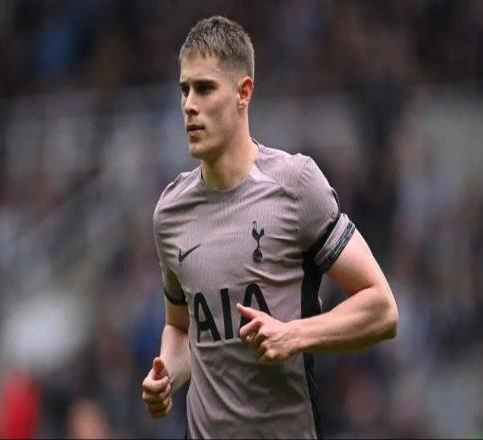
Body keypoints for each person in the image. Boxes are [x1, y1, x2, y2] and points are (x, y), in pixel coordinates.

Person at [142, 15, 398, 439]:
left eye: (204, 88)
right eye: (184, 89)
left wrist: (295, 335)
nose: (189, 104)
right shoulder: (170, 213)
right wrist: (167, 372)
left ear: (243, 93)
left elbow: (382, 309)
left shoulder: (296, 185)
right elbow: (182, 327)